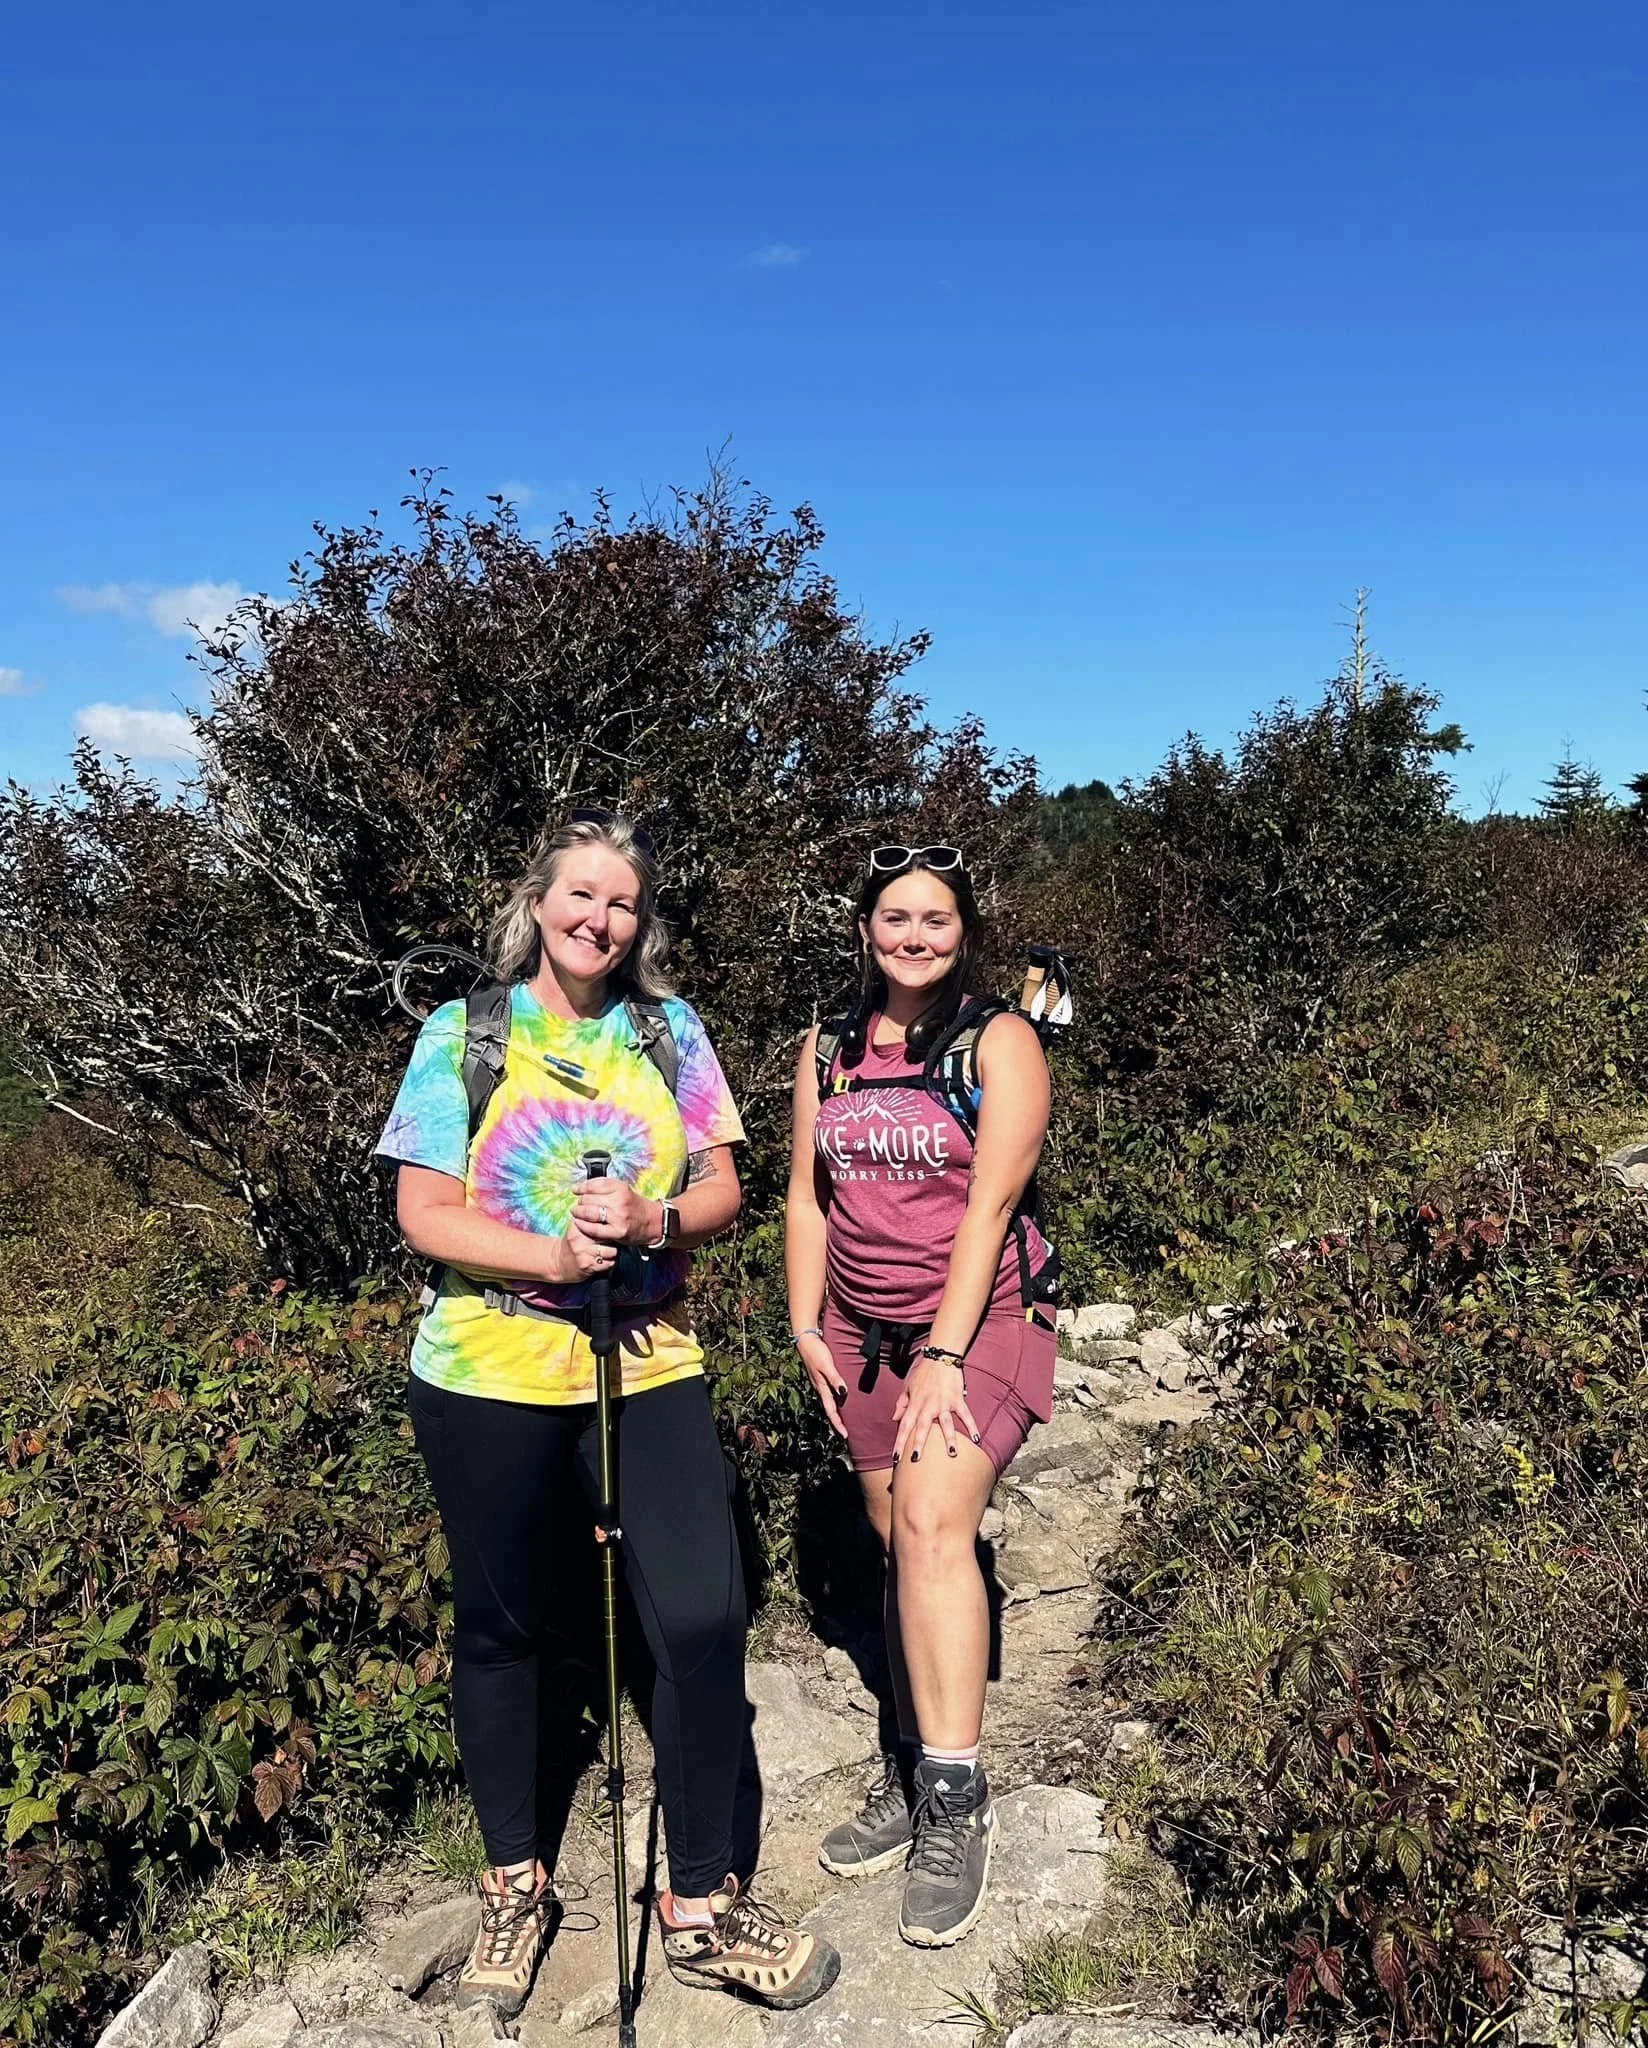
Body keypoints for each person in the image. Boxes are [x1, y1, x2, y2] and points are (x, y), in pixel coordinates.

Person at [377, 811, 838, 2018]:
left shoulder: (669, 1030)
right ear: (537, 901)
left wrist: (650, 1223)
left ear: (642, 922)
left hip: (647, 1363)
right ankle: (515, 1882)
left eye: (623, 902)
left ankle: (699, 1901)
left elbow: (728, 1187)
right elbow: (423, 1211)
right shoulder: (463, 1033)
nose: (600, 918)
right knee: (502, 1626)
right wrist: (547, 1248)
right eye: (580, 894)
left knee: (699, 1613)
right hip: (485, 1368)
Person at [785, 844, 1056, 1948]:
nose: (914, 934)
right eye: (895, 915)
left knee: (939, 1527)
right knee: (898, 1537)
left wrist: (943, 1355)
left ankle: (952, 1796)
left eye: (935, 918)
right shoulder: (828, 1046)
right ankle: (909, 1759)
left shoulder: (1001, 1041)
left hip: (980, 1318)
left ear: (963, 931)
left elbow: (990, 1208)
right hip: (861, 1329)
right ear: (864, 926)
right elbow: (807, 1197)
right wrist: (806, 1319)